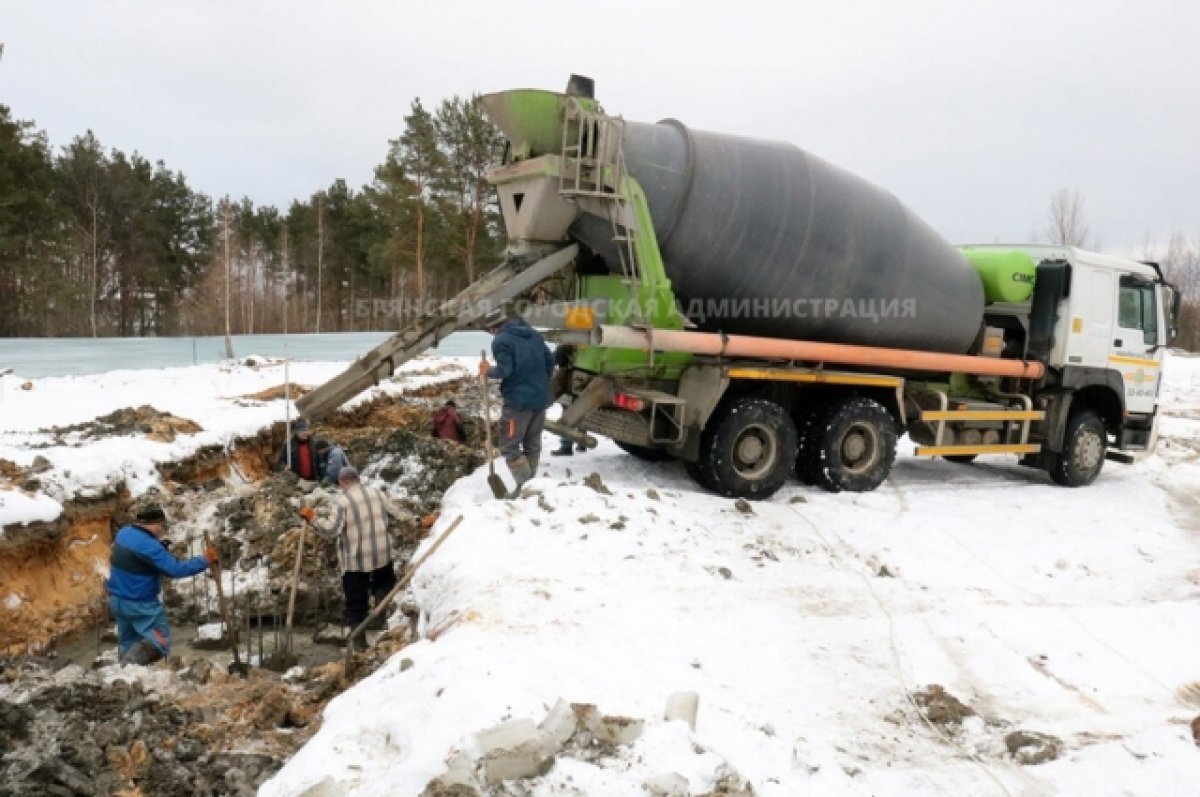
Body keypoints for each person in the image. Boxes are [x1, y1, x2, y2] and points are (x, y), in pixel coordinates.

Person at [300, 466, 414, 651]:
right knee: (383, 585)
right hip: (381, 554)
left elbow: (331, 531)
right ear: (358, 478)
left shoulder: (342, 502)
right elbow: (397, 512)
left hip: (356, 559)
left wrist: (313, 518)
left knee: (356, 600)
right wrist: (418, 520)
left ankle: (359, 640)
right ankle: (380, 617)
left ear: (342, 482)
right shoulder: (377, 493)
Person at [106, 505, 217, 665]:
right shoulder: (149, 546)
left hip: (118, 601)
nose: (162, 530)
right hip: (140, 604)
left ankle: (126, 678)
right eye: (162, 526)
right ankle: (129, 667)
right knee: (159, 643)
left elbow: (137, 557)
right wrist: (205, 560)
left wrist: (160, 548)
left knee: (129, 641)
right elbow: (175, 569)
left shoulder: (124, 533)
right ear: (156, 524)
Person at [478, 307, 554, 497]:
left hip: (518, 402)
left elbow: (505, 370)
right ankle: (529, 488)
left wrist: (488, 370)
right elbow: (550, 361)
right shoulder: (534, 335)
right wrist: (540, 383)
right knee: (532, 443)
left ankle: (527, 488)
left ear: (492, 329)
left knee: (510, 447)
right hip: (539, 398)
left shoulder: (501, 340)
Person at [549, 344, 585, 457]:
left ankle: (566, 446)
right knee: (581, 411)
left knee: (567, 414)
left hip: (570, 381)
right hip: (583, 380)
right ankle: (582, 442)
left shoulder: (566, 344)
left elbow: (553, 360)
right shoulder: (585, 343)